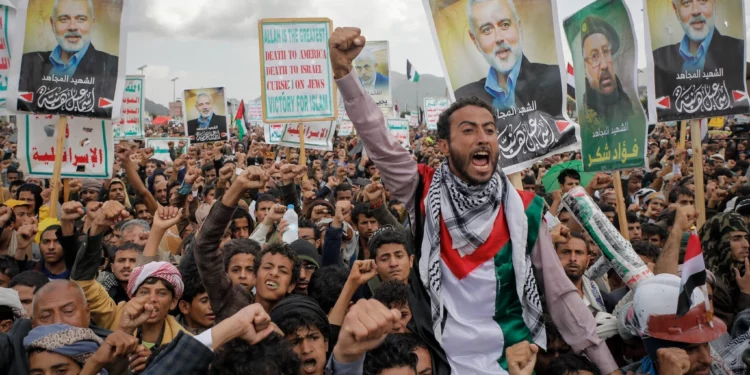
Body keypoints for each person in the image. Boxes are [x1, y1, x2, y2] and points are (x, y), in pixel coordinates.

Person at [329, 27, 618, 375]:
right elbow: (379, 141)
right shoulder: (421, 189)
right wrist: (345, 74)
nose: (482, 138)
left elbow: (560, 298)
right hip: (439, 362)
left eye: (489, 130)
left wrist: (609, 367)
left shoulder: (525, 210)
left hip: (511, 364)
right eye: (468, 130)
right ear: (443, 145)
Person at [455, 0, 563, 117]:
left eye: (505, 25)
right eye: (487, 29)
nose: (499, 38)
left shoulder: (557, 79)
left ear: (519, 27)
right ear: (474, 40)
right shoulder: (464, 99)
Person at [17, 0, 119, 118]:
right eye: (64, 19)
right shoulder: (28, 63)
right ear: (52, 23)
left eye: (81, 19)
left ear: (92, 23)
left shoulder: (112, 66)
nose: (72, 27)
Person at [652, 0, 746, 117]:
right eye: (686, 2)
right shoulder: (659, 58)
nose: (696, 11)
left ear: (714, 3)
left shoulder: (737, 51)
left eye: (702, 1)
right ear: (676, 10)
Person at [580, 15, 634, 128]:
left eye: (605, 51)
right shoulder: (585, 118)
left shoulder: (627, 103)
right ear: (585, 68)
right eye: (594, 56)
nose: (604, 65)